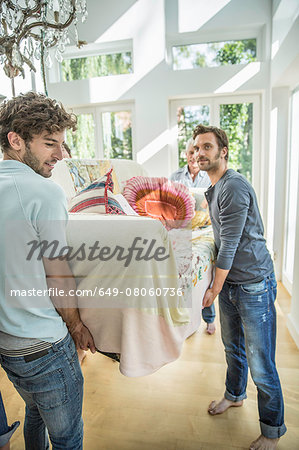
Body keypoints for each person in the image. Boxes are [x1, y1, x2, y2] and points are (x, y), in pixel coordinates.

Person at [0, 92, 96, 449]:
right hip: (45, 346)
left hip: (7, 348)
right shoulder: (45, 192)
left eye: (62, 143)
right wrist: (76, 325)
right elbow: (58, 273)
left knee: (34, 412)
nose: (61, 154)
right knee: (68, 438)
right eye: (50, 143)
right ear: (16, 139)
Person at [193, 124, 286, 450]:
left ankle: (272, 431)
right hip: (233, 283)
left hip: (253, 286)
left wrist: (212, 291)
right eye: (197, 148)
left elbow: (229, 246)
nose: (200, 153)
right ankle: (234, 395)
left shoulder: (233, 186)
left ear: (224, 151)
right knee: (232, 350)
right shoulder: (215, 186)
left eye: (207, 147)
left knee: (261, 365)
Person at [170, 138, 216, 335]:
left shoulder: (210, 176)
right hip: (181, 227)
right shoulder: (176, 176)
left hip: (204, 227)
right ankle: (182, 319)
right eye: (189, 153)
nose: (192, 157)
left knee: (204, 273)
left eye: (195, 153)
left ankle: (209, 318)